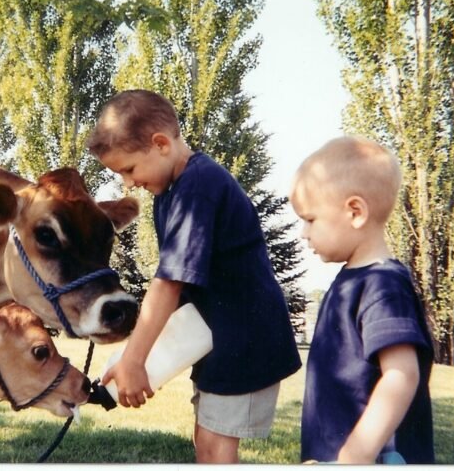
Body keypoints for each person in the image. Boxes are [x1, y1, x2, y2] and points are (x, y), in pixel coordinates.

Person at [86, 89, 301, 463]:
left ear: (160, 144)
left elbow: (168, 284)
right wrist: (130, 356)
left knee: (217, 448)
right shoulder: (170, 193)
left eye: (129, 169)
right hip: (217, 338)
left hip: (245, 340)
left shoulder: (198, 187)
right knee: (205, 441)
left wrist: (136, 362)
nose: (128, 184)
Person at [289, 136, 435, 464]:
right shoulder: (351, 281)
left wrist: (355, 455)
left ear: (355, 211)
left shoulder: (383, 286)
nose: (303, 232)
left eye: (310, 219)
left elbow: (401, 374)